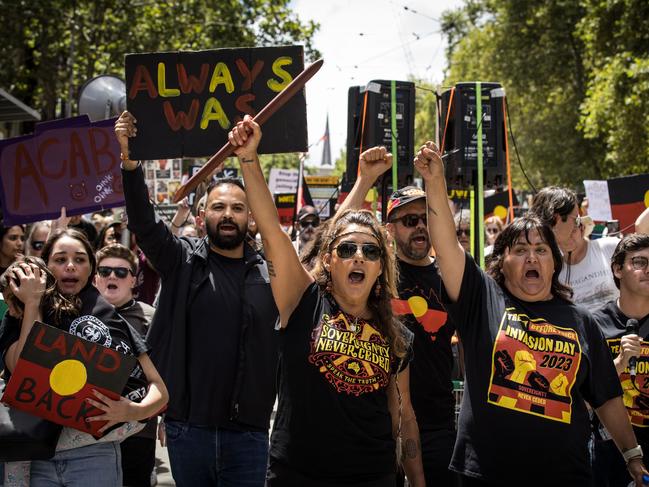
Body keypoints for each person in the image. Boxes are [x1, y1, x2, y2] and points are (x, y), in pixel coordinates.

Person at [414, 140, 648, 486]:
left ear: (555, 263)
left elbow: (607, 397)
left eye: (541, 249)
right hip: (488, 474)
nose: (532, 258)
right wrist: (435, 183)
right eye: (520, 250)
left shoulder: (581, 321)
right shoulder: (481, 298)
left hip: (565, 475)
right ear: (501, 262)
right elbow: (447, 246)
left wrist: (633, 456)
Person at [228, 116, 425, 486]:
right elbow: (272, 233)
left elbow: (404, 415)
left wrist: (418, 481)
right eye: (347, 249)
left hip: (373, 476)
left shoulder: (397, 335)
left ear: (382, 265)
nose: (358, 256)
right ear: (329, 260)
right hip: (298, 476)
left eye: (370, 251)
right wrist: (249, 159)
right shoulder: (302, 302)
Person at [115, 111, 279, 487]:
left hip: (250, 434)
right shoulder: (182, 260)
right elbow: (143, 223)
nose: (228, 215)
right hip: (189, 431)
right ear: (202, 214)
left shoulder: (271, 273)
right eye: (219, 207)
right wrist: (129, 162)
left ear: (251, 218)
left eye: (238, 208)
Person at [0, 230, 168, 486]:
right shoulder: (19, 313)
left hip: (94, 457)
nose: (70, 266)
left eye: (80, 259)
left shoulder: (111, 319)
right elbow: (24, 368)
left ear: (91, 269)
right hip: (33, 457)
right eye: (60, 259)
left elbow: (159, 390)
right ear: (46, 266)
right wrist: (33, 304)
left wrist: (132, 410)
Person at [335, 145, 458, 486]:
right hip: (376, 426)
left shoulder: (451, 276)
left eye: (425, 218)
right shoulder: (374, 274)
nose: (420, 227)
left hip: (436, 427)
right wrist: (364, 180)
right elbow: (330, 242)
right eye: (408, 220)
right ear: (389, 229)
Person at [94, 244, 158, 487]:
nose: (112, 276)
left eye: (121, 272)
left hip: (139, 429)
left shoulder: (152, 317)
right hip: (86, 431)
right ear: (95, 278)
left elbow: (164, 373)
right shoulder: (79, 314)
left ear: (133, 280)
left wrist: (167, 419)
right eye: (105, 271)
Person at [592, 233, 649, 486]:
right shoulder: (593, 324)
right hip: (607, 451)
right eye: (639, 262)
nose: (648, 270)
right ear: (617, 269)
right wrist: (619, 363)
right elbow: (581, 395)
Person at [530, 186, 620, 308]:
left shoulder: (612, 247)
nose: (579, 224)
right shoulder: (543, 267)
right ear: (556, 218)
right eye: (575, 219)